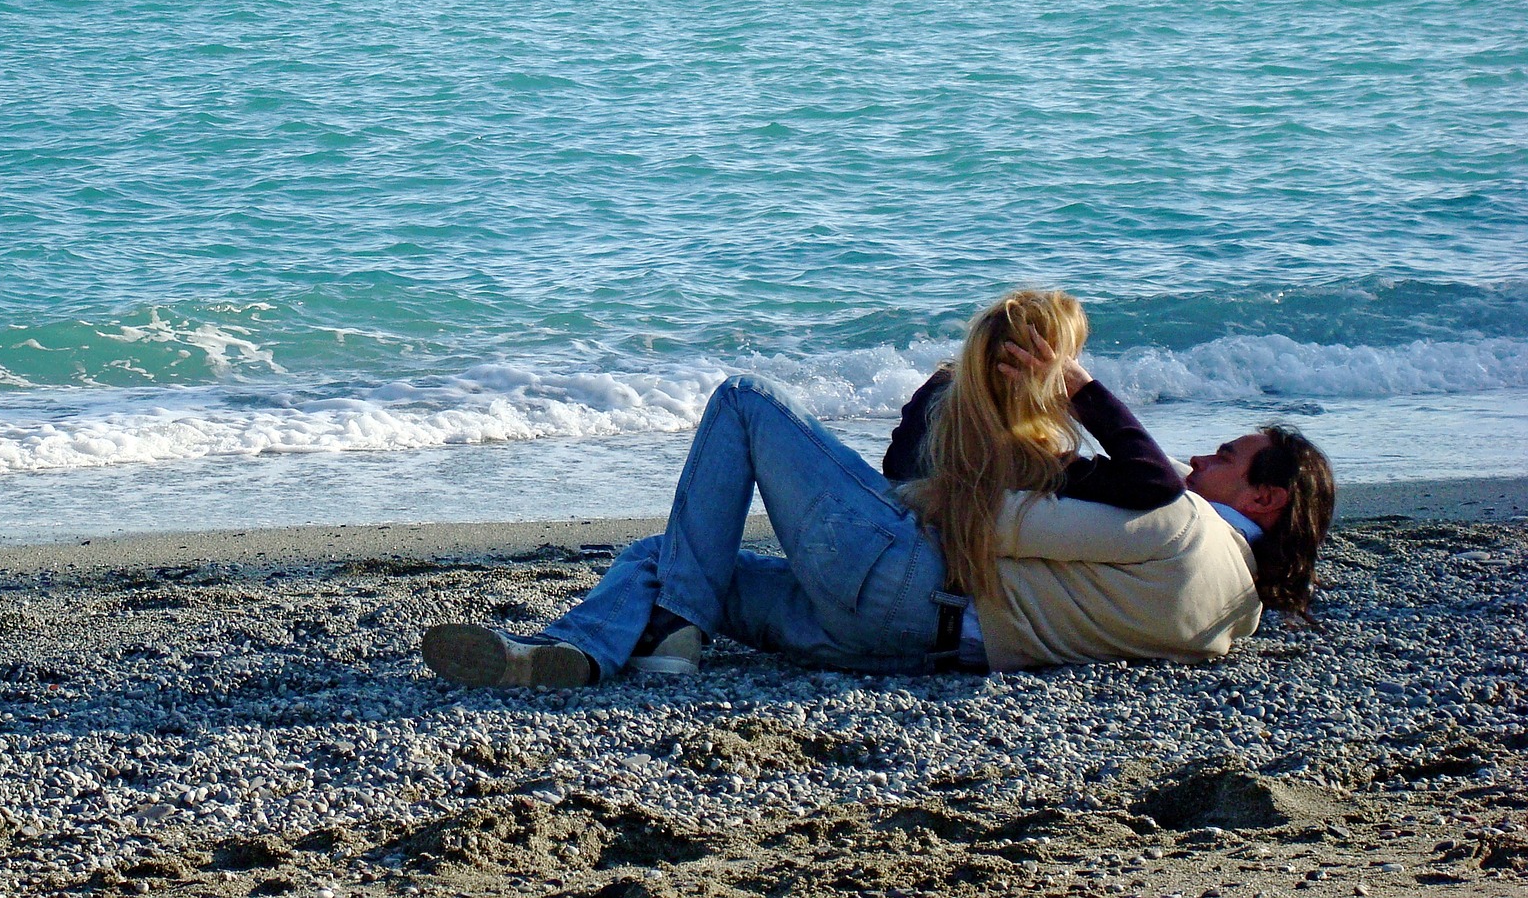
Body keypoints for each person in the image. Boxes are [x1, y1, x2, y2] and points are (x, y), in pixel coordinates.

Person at [420, 290, 1336, 687]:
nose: (1197, 462)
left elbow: (948, 514)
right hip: (890, 648)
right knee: (665, 557)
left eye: (1224, 455)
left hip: (902, 587)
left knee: (743, 402)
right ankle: (582, 652)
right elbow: (1099, 509)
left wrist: (996, 392)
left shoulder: (1175, 529)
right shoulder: (1233, 614)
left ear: (1265, 498)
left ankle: (663, 636)